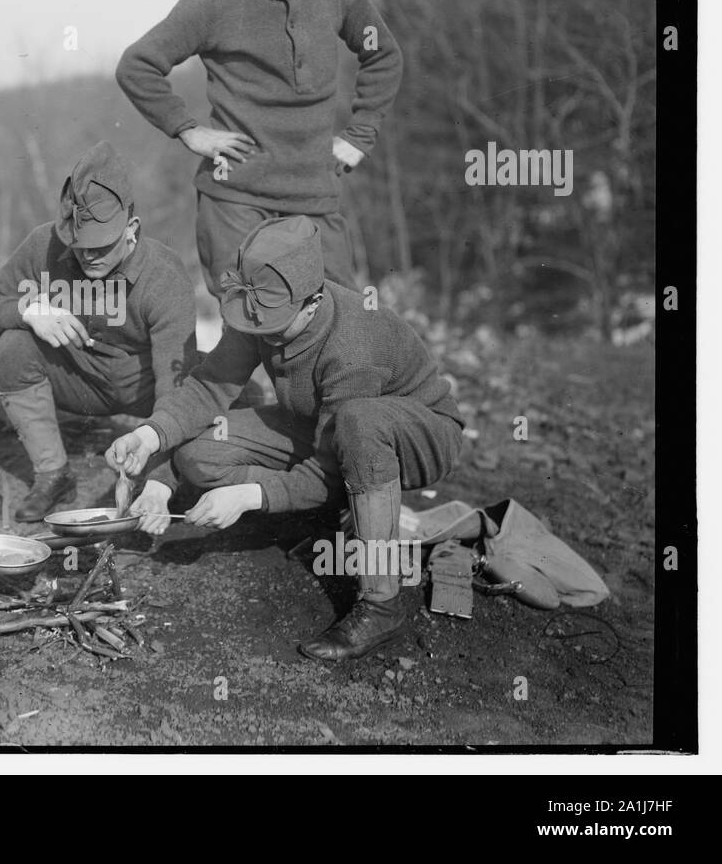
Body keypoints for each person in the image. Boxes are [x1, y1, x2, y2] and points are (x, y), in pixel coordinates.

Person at [106, 216, 463, 661]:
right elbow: (210, 385)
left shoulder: (354, 346)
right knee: (199, 454)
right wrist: (150, 437)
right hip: (324, 425)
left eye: (274, 322)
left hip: (416, 436)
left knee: (359, 425)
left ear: (312, 301)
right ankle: (327, 517)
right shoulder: (261, 310)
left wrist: (248, 495)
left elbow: (330, 467)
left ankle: (381, 602)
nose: (261, 331)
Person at [116, 0, 403, 295]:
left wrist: (361, 133)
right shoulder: (212, 3)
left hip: (315, 194)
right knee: (247, 320)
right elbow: (137, 64)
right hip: (236, 198)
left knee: (342, 320)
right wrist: (188, 129)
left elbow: (383, 56)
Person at [0, 141, 197, 521]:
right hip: (75, 380)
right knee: (13, 346)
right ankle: (52, 475)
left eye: (101, 244)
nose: (89, 254)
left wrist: (159, 481)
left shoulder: (164, 275)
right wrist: (29, 310)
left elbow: (174, 389)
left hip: (142, 384)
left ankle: (184, 476)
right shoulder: (45, 245)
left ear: (132, 230)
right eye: (80, 245)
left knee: (223, 394)